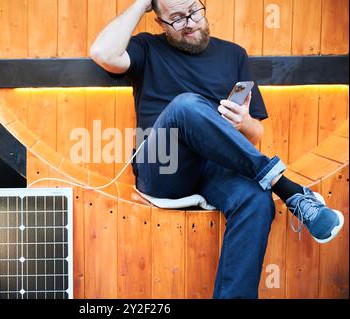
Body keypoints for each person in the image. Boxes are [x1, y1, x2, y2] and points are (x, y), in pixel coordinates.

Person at [90, 0, 344, 299]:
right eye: (177, 18)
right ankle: (287, 188)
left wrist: (244, 123)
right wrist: (142, 3)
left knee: (257, 200)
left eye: (194, 11)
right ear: (159, 22)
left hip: (216, 169)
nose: (190, 22)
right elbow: (102, 53)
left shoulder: (233, 54)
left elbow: (255, 135)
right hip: (163, 165)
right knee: (186, 105)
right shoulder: (146, 47)